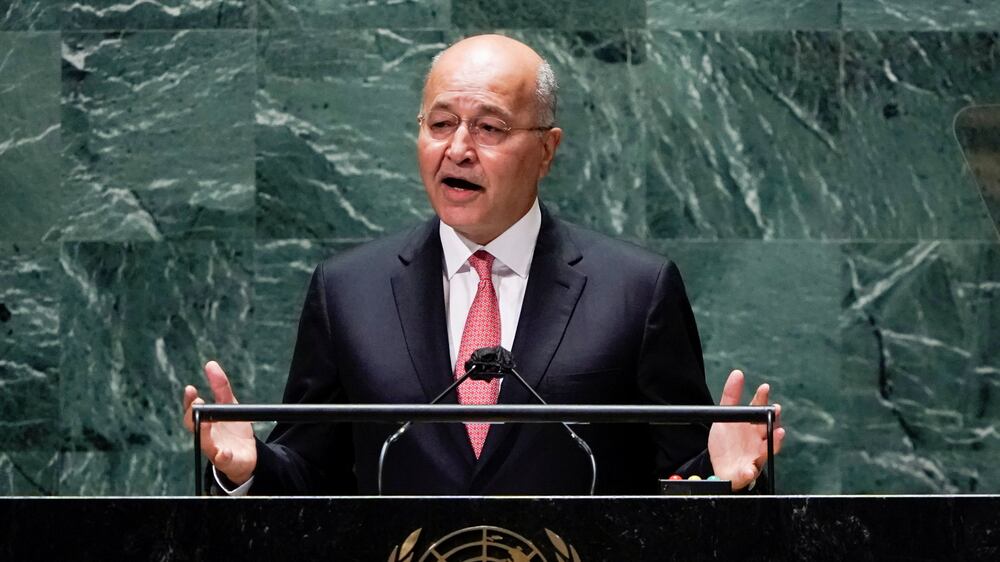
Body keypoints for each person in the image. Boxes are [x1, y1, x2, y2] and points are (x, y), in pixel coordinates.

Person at [183, 34, 784, 495]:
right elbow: (313, 473)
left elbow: (681, 480)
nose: (458, 148)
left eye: (489, 127)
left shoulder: (635, 290)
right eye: (440, 124)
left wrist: (725, 477)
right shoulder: (348, 291)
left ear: (547, 149)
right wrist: (250, 466)